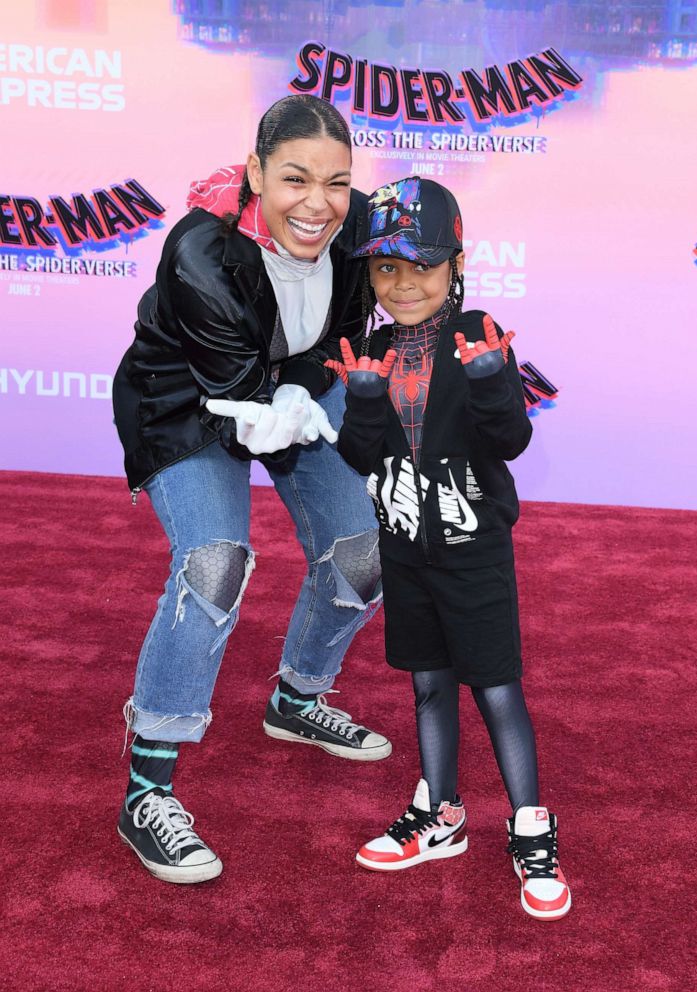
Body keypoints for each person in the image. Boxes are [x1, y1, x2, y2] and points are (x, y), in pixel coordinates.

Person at [111, 95, 391, 885]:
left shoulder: (357, 228)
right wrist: (278, 401)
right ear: (256, 170)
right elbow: (233, 394)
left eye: (336, 183)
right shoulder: (202, 249)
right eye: (295, 177)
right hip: (189, 402)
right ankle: (146, 789)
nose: (318, 203)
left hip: (290, 387)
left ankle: (297, 701)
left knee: (362, 554)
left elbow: (342, 328)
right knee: (214, 566)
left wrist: (305, 385)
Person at [330, 176, 571, 920]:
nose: (403, 284)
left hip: (473, 552)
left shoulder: (476, 331)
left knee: (496, 689)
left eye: (421, 266)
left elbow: (509, 442)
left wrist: (495, 383)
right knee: (428, 685)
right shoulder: (367, 348)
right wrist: (365, 403)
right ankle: (441, 814)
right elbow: (360, 458)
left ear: (455, 266)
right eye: (385, 268)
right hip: (404, 550)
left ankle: (531, 829)